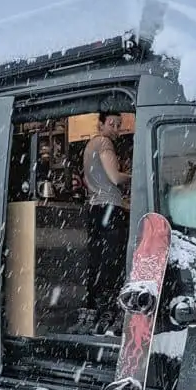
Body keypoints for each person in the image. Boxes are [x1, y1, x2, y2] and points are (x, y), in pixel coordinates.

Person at [70, 111, 131, 335]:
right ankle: (111, 314)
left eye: (118, 125)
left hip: (95, 208)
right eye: (112, 124)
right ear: (100, 125)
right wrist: (137, 176)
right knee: (112, 262)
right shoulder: (105, 143)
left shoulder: (89, 146)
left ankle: (92, 313)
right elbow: (115, 177)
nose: (115, 129)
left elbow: (88, 179)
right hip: (110, 208)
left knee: (96, 262)